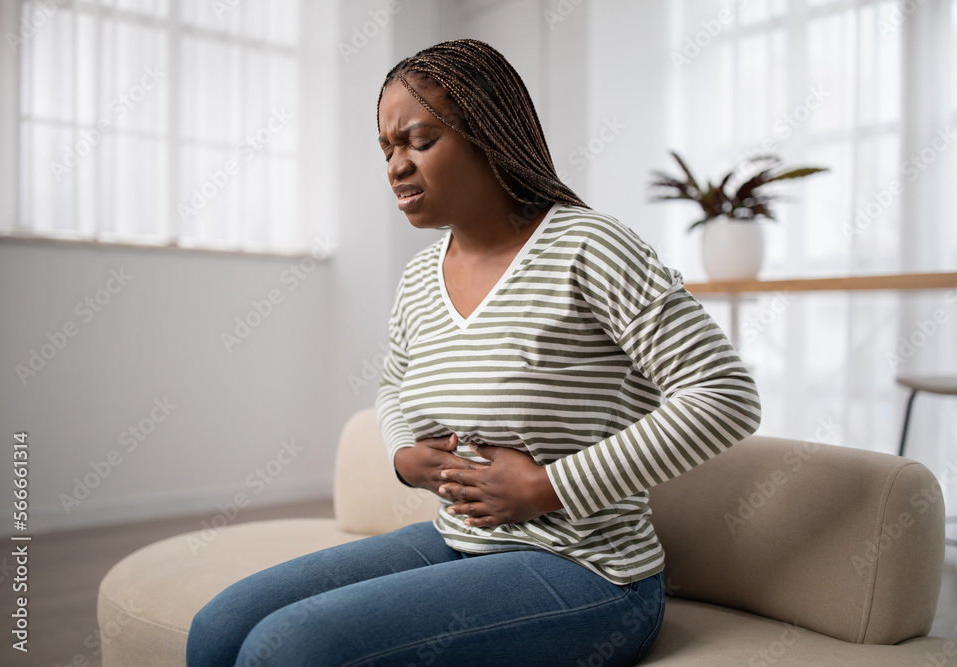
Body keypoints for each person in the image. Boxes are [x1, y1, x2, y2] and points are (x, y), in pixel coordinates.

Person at [186, 38, 761, 667]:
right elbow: (392, 385)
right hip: (458, 539)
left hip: (589, 571)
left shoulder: (591, 247)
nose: (396, 166)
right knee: (220, 626)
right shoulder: (419, 276)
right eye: (387, 148)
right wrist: (404, 453)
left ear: (489, 135)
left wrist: (547, 486)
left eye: (421, 140)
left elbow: (724, 397)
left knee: (291, 649)